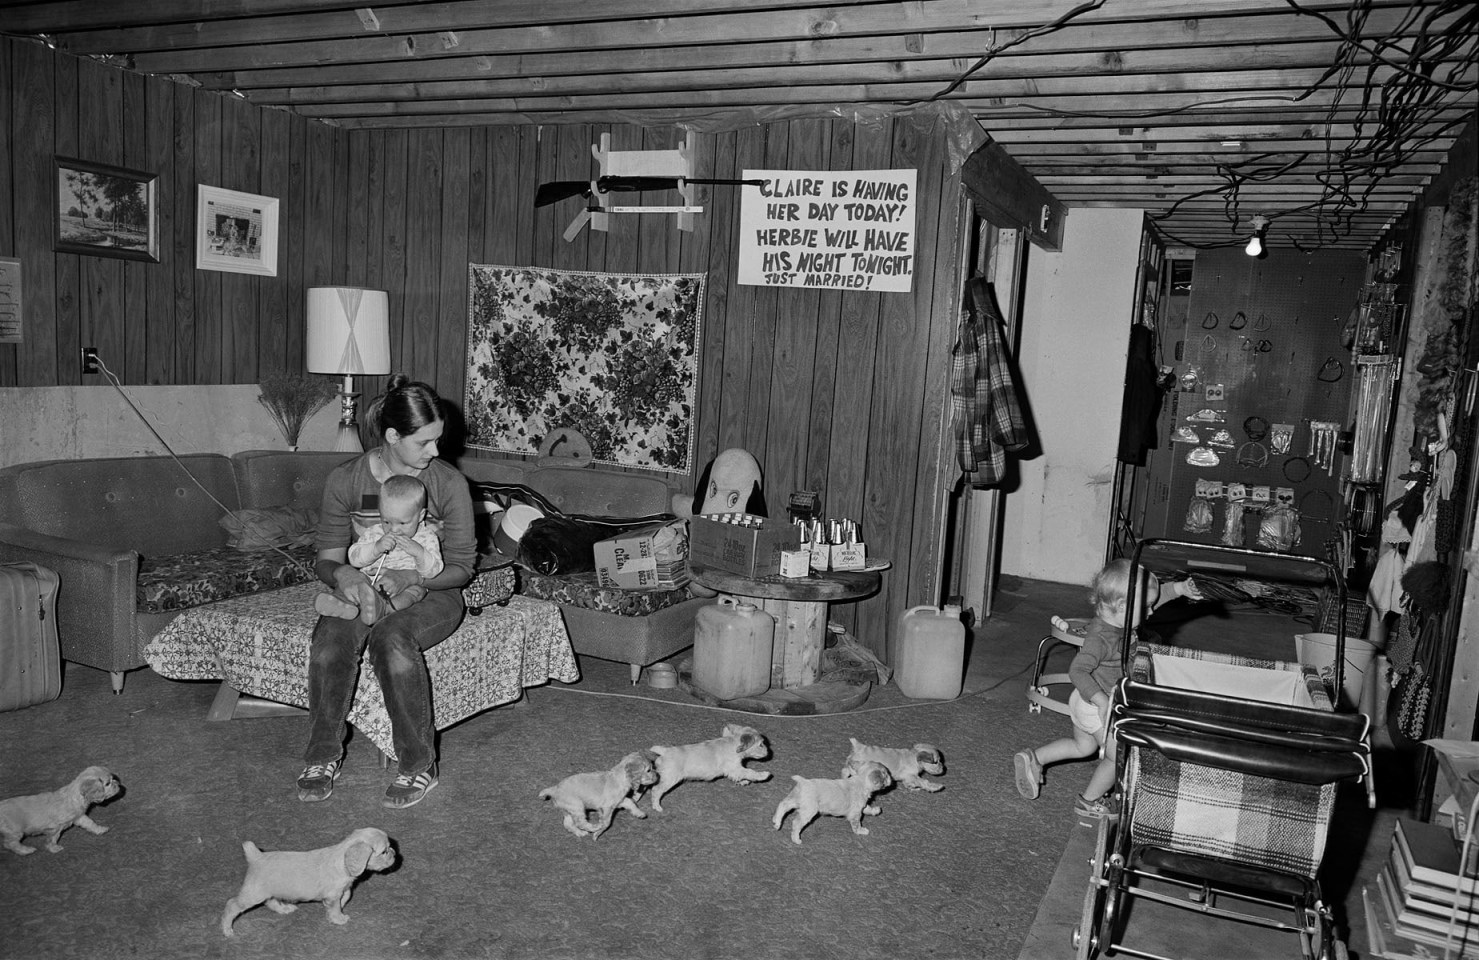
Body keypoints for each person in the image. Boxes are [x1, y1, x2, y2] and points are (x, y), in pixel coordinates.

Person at [298, 375, 475, 809]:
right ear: (393, 437)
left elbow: (461, 569)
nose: (436, 452)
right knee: (330, 641)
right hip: (366, 588)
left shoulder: (448, 484)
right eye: (425, 443)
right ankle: (322, 757)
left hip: (433, 592)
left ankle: (418, 765)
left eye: (438, 441)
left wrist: (414, 581)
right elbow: (327, 557)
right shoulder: (345, 479)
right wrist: (344, 577)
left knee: (391, 638)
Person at [1012, 558, 1201, 820]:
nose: (1151, 612)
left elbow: (1155, 598)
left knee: (1083, 747)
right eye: (1145, 607)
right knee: (1117, 758)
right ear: (1123, 606)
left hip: (1083, 701)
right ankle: (1089, 802)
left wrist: (1179, 589)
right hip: (1098, 705)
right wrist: (1102, 702)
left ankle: (1035, 758)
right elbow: (1077, 671)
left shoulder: (1119, 618)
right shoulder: (1101, 637)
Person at [314, 474, 443, 622]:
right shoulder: (375, 532)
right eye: (386, 521)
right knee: (354, 583)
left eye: (402, 523)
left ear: (420, 516)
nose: (393, 530)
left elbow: (434, 570)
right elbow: (355, 559)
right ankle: (343, 604)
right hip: (369, 582)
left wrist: (419, 552)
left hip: (405, 585)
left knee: (415, 593)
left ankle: (383, 609)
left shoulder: (427, 537)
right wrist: (376, 548)